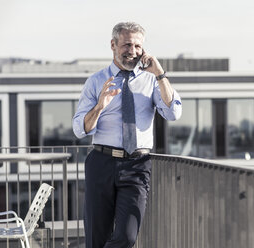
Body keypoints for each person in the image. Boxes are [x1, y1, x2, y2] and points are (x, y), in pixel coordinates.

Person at [72, 22, 182, 248]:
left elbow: (173, 112)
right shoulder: (95, 81)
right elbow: (79, 129)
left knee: (127, 236)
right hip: (101, 163)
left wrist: (160, 73)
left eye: (137, 46)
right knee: (96, 237)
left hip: (137, 165)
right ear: (113, 45)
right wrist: (100, 106)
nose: (132, 51)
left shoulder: (153, 81)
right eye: (127, 45)